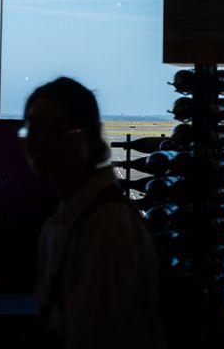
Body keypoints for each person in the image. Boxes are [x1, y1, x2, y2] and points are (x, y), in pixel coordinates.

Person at [23, 77, 166, 349]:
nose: (39, 143)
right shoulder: (69, 217)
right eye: (32, 130)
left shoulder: (107, 225)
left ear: (90, 137)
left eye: (58, 131)